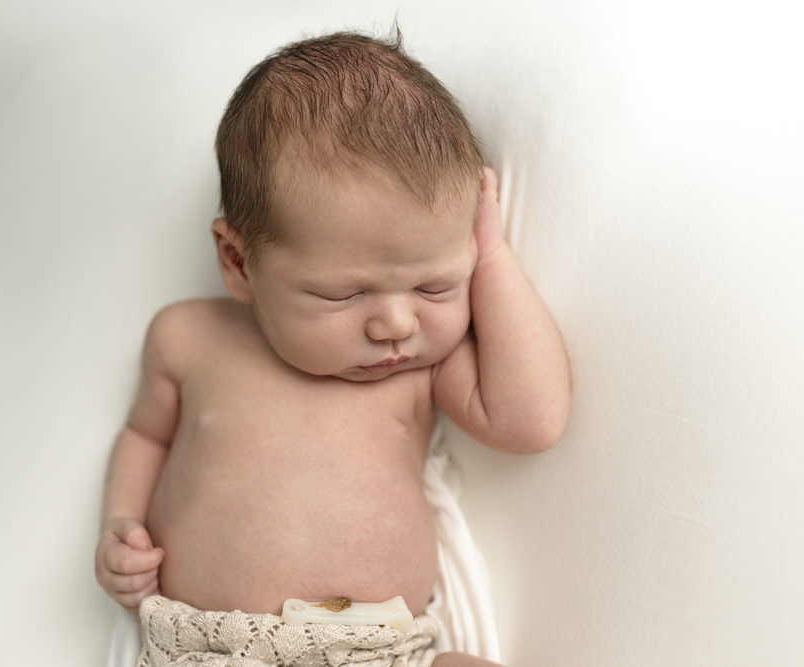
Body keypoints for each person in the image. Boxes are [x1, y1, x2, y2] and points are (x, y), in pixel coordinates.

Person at [96, 30, 570, 667]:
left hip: (381, 650)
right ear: (239, 262)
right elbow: (144, 437)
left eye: (436, 284)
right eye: (346, 296)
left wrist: (492, 255)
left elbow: (531, 420)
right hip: (213, 648)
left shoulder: (419, 367)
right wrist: (119, 528)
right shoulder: (187, 338)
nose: (396, 324)